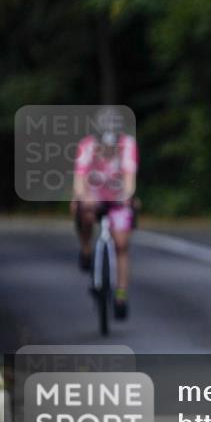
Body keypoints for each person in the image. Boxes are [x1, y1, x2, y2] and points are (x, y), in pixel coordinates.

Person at [71, 107, 138, 319]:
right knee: (82, 210)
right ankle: (86, 249)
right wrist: (83, 197)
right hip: (94, 194)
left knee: (121, 244)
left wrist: (126, 196)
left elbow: (129, 179)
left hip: (117, 196)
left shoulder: (128, 145)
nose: (107, 150)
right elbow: (79, 180)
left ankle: (120, 293)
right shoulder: (87, 146)